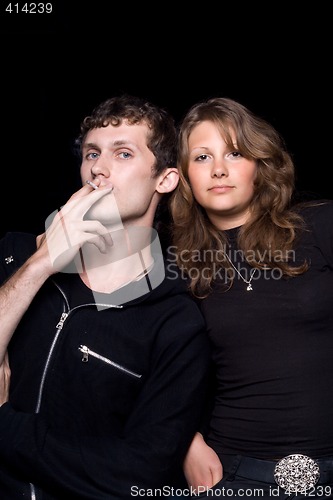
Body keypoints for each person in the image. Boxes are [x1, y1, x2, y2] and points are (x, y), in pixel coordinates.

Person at [0, 94, 211, 499]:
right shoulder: (16, 255)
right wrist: (41, 264)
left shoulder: (175, 320)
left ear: (164, 179)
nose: (98, 167)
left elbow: (138, 475)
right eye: (92, 153)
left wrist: (4, 425)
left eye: (124, 153)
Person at [170, 97, 333, 499]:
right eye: (202, 157)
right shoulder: (172, 261)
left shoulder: (320, 225)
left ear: (260, 164)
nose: (219, 170)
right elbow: (138, 364)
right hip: (240, 473)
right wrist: (186, 441)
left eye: (235, 152)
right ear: (184, 176)